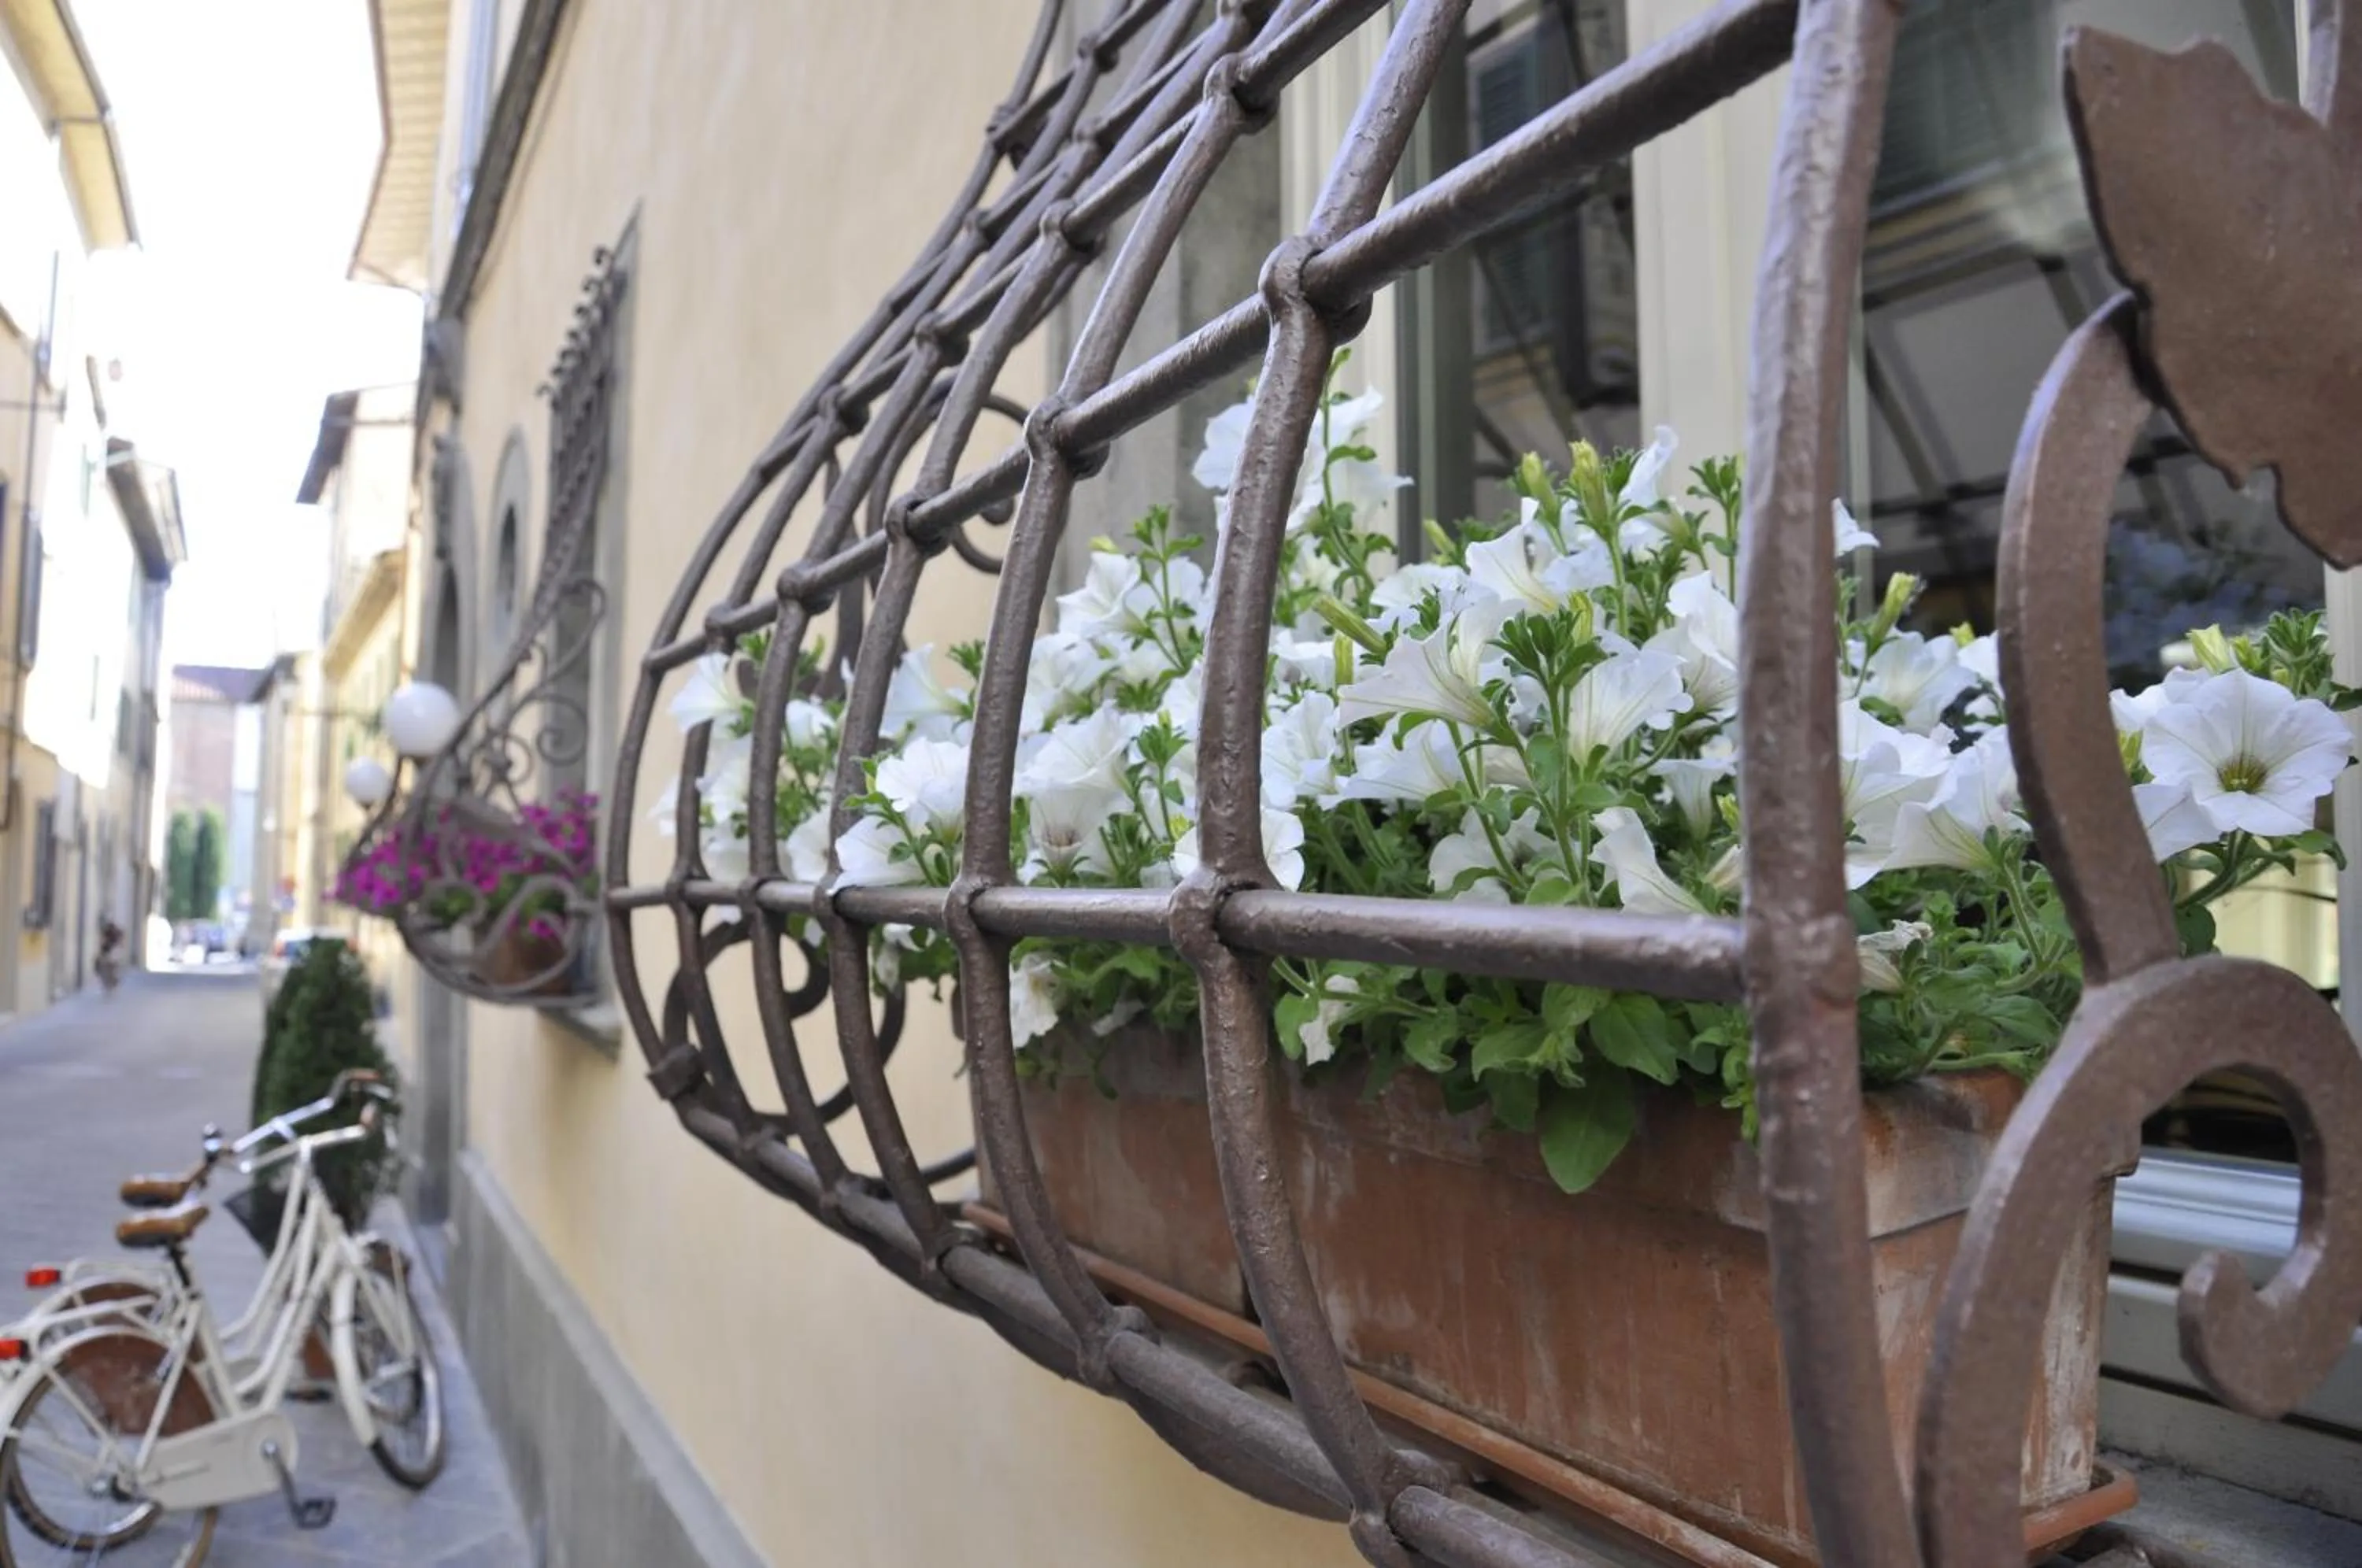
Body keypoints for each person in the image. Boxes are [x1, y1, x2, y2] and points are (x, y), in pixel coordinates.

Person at [96, 916, 124, 995]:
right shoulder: (109, 933)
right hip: (110, 952)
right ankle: (111, 982)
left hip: (112, 952)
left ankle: (112, 982)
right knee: (110, 968)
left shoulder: (112, 933)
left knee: (111, 968)